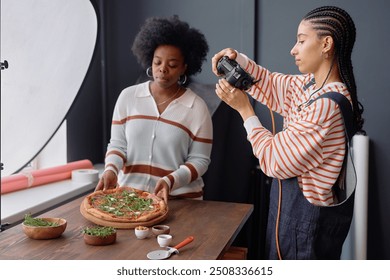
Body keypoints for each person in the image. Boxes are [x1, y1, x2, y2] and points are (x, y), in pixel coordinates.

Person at [212, 6, 364, 259]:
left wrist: (244, 111)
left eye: (301, 41)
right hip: (287, 217)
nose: (293, 49)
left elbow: (274, 161)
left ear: (326, 44)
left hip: (306, 229)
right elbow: (269, 83)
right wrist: (235, 59)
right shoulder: (308, 86)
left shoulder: (326, 105)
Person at [95, 15, 212, 203]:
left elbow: (200, 161)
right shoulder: (128, 97)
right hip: (130, 201)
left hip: (182, 203)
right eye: (157, 62)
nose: (163, 69)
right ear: (149, 60)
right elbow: (117, 145)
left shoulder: (197, 108)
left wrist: (170, 181)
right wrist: (111, 170)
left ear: (184, 67)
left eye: (172, 65)